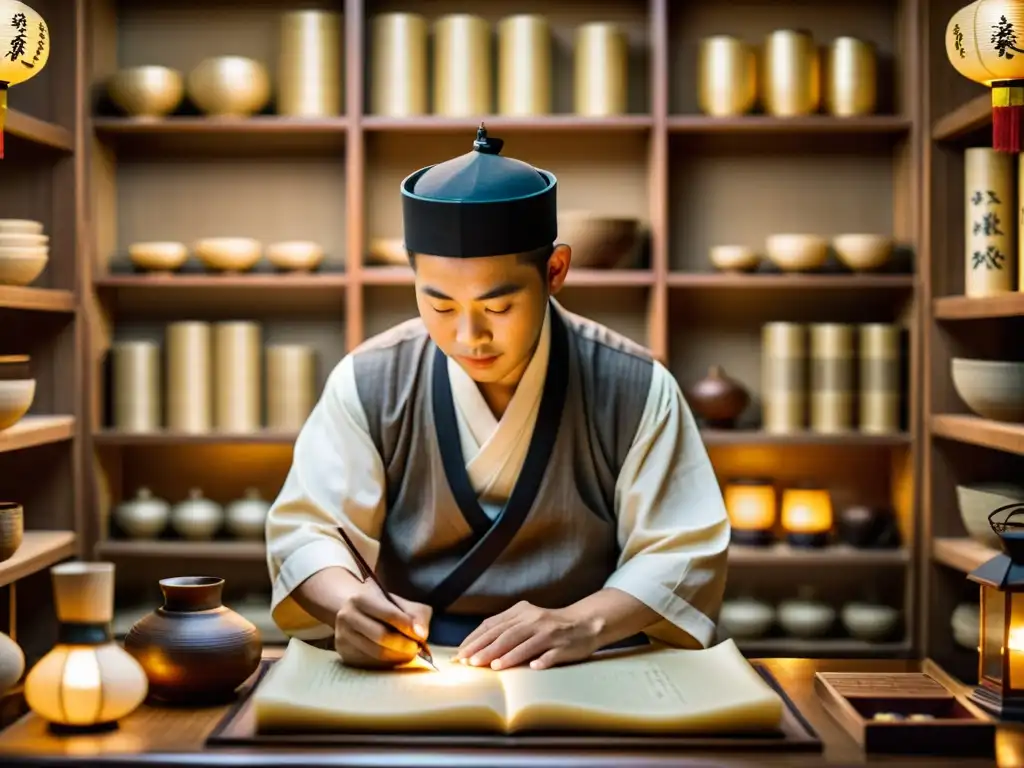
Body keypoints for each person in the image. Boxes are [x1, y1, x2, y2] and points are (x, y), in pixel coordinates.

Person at [265, 125, 730, 672]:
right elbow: (309, 529)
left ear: (554, 271)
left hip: (584, 663)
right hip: (413, 665)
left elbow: (680, 548)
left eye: (499, 307)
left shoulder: (634, 385)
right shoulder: (370, 381)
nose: (469, 336)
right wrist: (347, 603)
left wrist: (585, 622)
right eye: (439, 307)